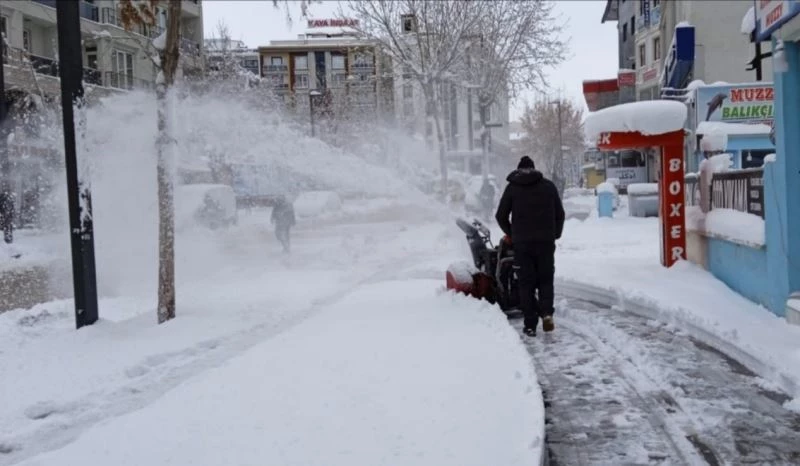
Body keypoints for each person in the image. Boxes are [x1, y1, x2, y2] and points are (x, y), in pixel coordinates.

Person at [495, 156, 565, 337]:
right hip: (545, 243)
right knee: (545, 280)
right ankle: (547, 313)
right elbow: (560, 214)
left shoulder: (513, 188)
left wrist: (512, 234)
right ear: (534, 169)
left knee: (525, 283)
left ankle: (529, 324)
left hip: (522, 245)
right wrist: (555, 234)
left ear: (519, 170)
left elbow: (500, 216)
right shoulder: (548, 187)